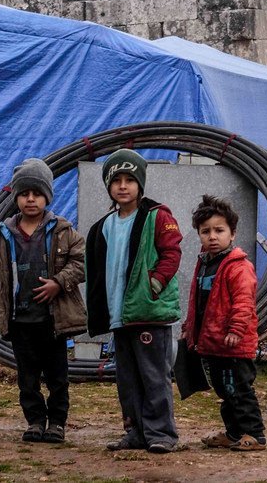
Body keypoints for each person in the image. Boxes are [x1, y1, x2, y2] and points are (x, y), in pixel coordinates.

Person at [84, 149, 183, 454]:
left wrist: (154, 283)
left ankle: (161, 434)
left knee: (154, 376)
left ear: (140, 184)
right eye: (116, 180)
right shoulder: (103, 226)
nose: (123, 186)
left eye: (130, 179)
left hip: (148, 311)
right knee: (127, 378)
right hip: (120, 315)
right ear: (108, 186)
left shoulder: (157, 216)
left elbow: (172, 252)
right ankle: (135, 432)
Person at [0, 158, 87, 444]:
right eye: (25, 193)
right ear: (16, 197)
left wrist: (58, 282)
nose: (31, 199)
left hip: (52, 320)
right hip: (20, 321)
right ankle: (35, 421)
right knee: (27, 378)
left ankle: (57, 423)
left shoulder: (62, 230)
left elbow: (81, 263)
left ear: (47, 197)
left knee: (57, 376)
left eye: (37, 194)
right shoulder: (3, 235)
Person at [181, 195, 266, 452]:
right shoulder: (205, 264)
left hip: (235, 345)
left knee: (239, 390)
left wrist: (236, 330)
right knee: (225, 391)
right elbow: (197, 301)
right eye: (205, 231)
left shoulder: (238, 266)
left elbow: (244, 303)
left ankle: (255, 434)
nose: (212, 236)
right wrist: (190, 328)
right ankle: (233, 433)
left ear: (233, 233)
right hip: (215, 344)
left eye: (219, 230)